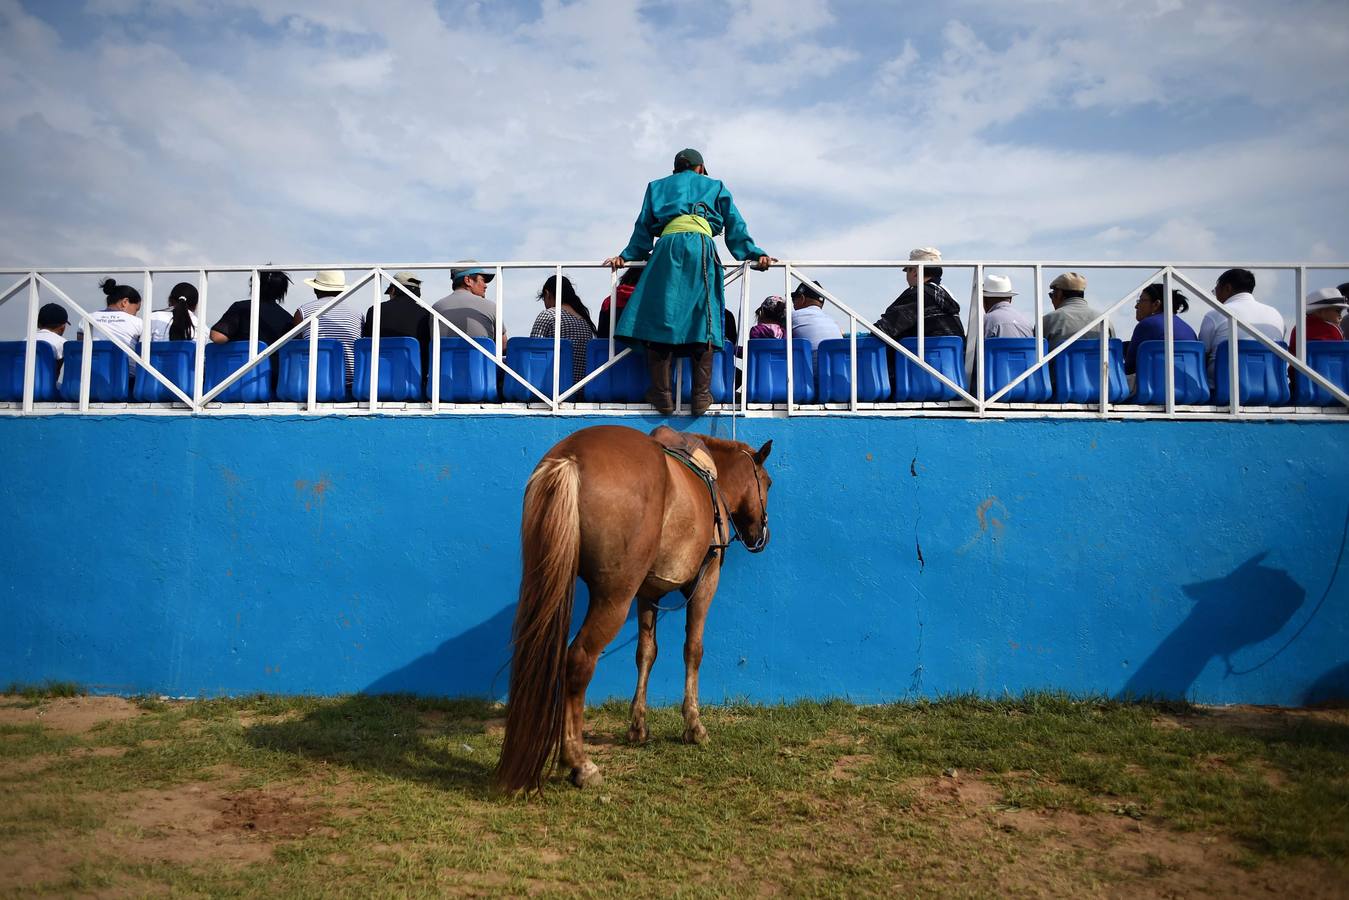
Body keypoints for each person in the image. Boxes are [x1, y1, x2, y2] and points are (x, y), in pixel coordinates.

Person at [604, 148, 773, 416]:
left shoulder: (656, 187)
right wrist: (755, 254)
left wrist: (625, 257)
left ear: (676, 170)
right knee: (703, 318)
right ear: (700, 169)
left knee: (660, 317)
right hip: (701, 250)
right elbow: (735, 226)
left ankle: (662, 395)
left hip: (666, 251)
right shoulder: (715, 186)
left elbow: (642, 230)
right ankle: (701, 396)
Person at [1198, 268, 1284, 380]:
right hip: (1270, 383)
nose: (1216, 297)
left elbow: (1201, 354)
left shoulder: (1215, 314)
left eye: (1215, 291)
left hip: (1224, 386)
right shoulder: (1275, 314)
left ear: (1227, 288)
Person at [873, 247, 965, 343]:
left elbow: (884, 329)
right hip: (953, 356)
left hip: (922, 356)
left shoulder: (918, 294)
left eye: (907, 270)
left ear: (914, 271)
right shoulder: (945, 295)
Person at [295, 270, 362, 384]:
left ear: (315, 289)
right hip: (349, 383)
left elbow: (296, 347)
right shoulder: (358, 314)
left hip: (313, 382)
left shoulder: (303, 311)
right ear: (341, 291)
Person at [529, 275, 597, 384]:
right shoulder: (585, 322)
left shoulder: (549, 315)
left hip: (551, 389)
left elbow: (531, 355)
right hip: (581, 389)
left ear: (547, 294)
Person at [364, 271, 432, 372]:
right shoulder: (427, 314)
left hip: (377, 376)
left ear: (393, 290)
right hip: (413, 378)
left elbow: (367, 343)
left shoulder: (374, 311)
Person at [1124, 284, 1198, 375]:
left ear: (1156, 304)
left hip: (1154, 385)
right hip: (1190, 386)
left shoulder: (1146, 325)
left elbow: (1129, 367)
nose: (1136, 306)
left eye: (1141, 300)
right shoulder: (1189, 329)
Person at [210, 269, 294, 346]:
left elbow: (218, 337)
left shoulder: (241, 308)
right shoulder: (288, 319)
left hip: (243, 362)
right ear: (282, 291)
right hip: (274, 362)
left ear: (253, 285)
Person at [432, 262, 502, 343]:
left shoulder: (436, 307)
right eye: (483, 280)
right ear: (468, 280)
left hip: (444, 356)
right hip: (479, 356)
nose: (485, 285)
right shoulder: (491, 306)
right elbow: (503, 344)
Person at [1041, 272, 1113, 350]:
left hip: (1062, 362)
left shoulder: (1046, 321)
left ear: (1059, 294)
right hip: (1101, 362)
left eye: (1051, 295)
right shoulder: (1104, 320)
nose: (1052, 301)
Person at [80, 278, 144, 347]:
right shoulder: (138, 323)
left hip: (92, 357)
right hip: (123, 357)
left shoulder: (87, 319)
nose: (136, 314)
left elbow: (79, 348)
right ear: (125, 302)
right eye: (136, 309)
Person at [1287, 288, 1347, 355]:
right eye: (1338, 311)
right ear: (1321, 312)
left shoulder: (1297, 329)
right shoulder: (1332, 330)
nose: (1340, 316)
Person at [789, 280, 843, 355]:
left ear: (802, 299)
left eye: (794, 299)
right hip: (838, 366)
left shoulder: (793, 316)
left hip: (810, 366)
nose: (793, 304)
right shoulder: (832, 321)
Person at [980, 274, 1034, 340]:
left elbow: (973, 349)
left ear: (984, 299)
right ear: (1011, 299)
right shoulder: (1026, 323)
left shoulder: (984, 321)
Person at [596, 267, 643, 339]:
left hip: (615, 348)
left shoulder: (610, 301)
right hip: (648, 348)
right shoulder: (654, 300)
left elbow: (602, 336)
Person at [34, 303, 69, 373]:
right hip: (46, 383)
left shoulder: (26, 339)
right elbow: (57, 373)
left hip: (19, 382)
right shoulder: (63, 343)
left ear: (38, 324)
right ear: (63, 327)